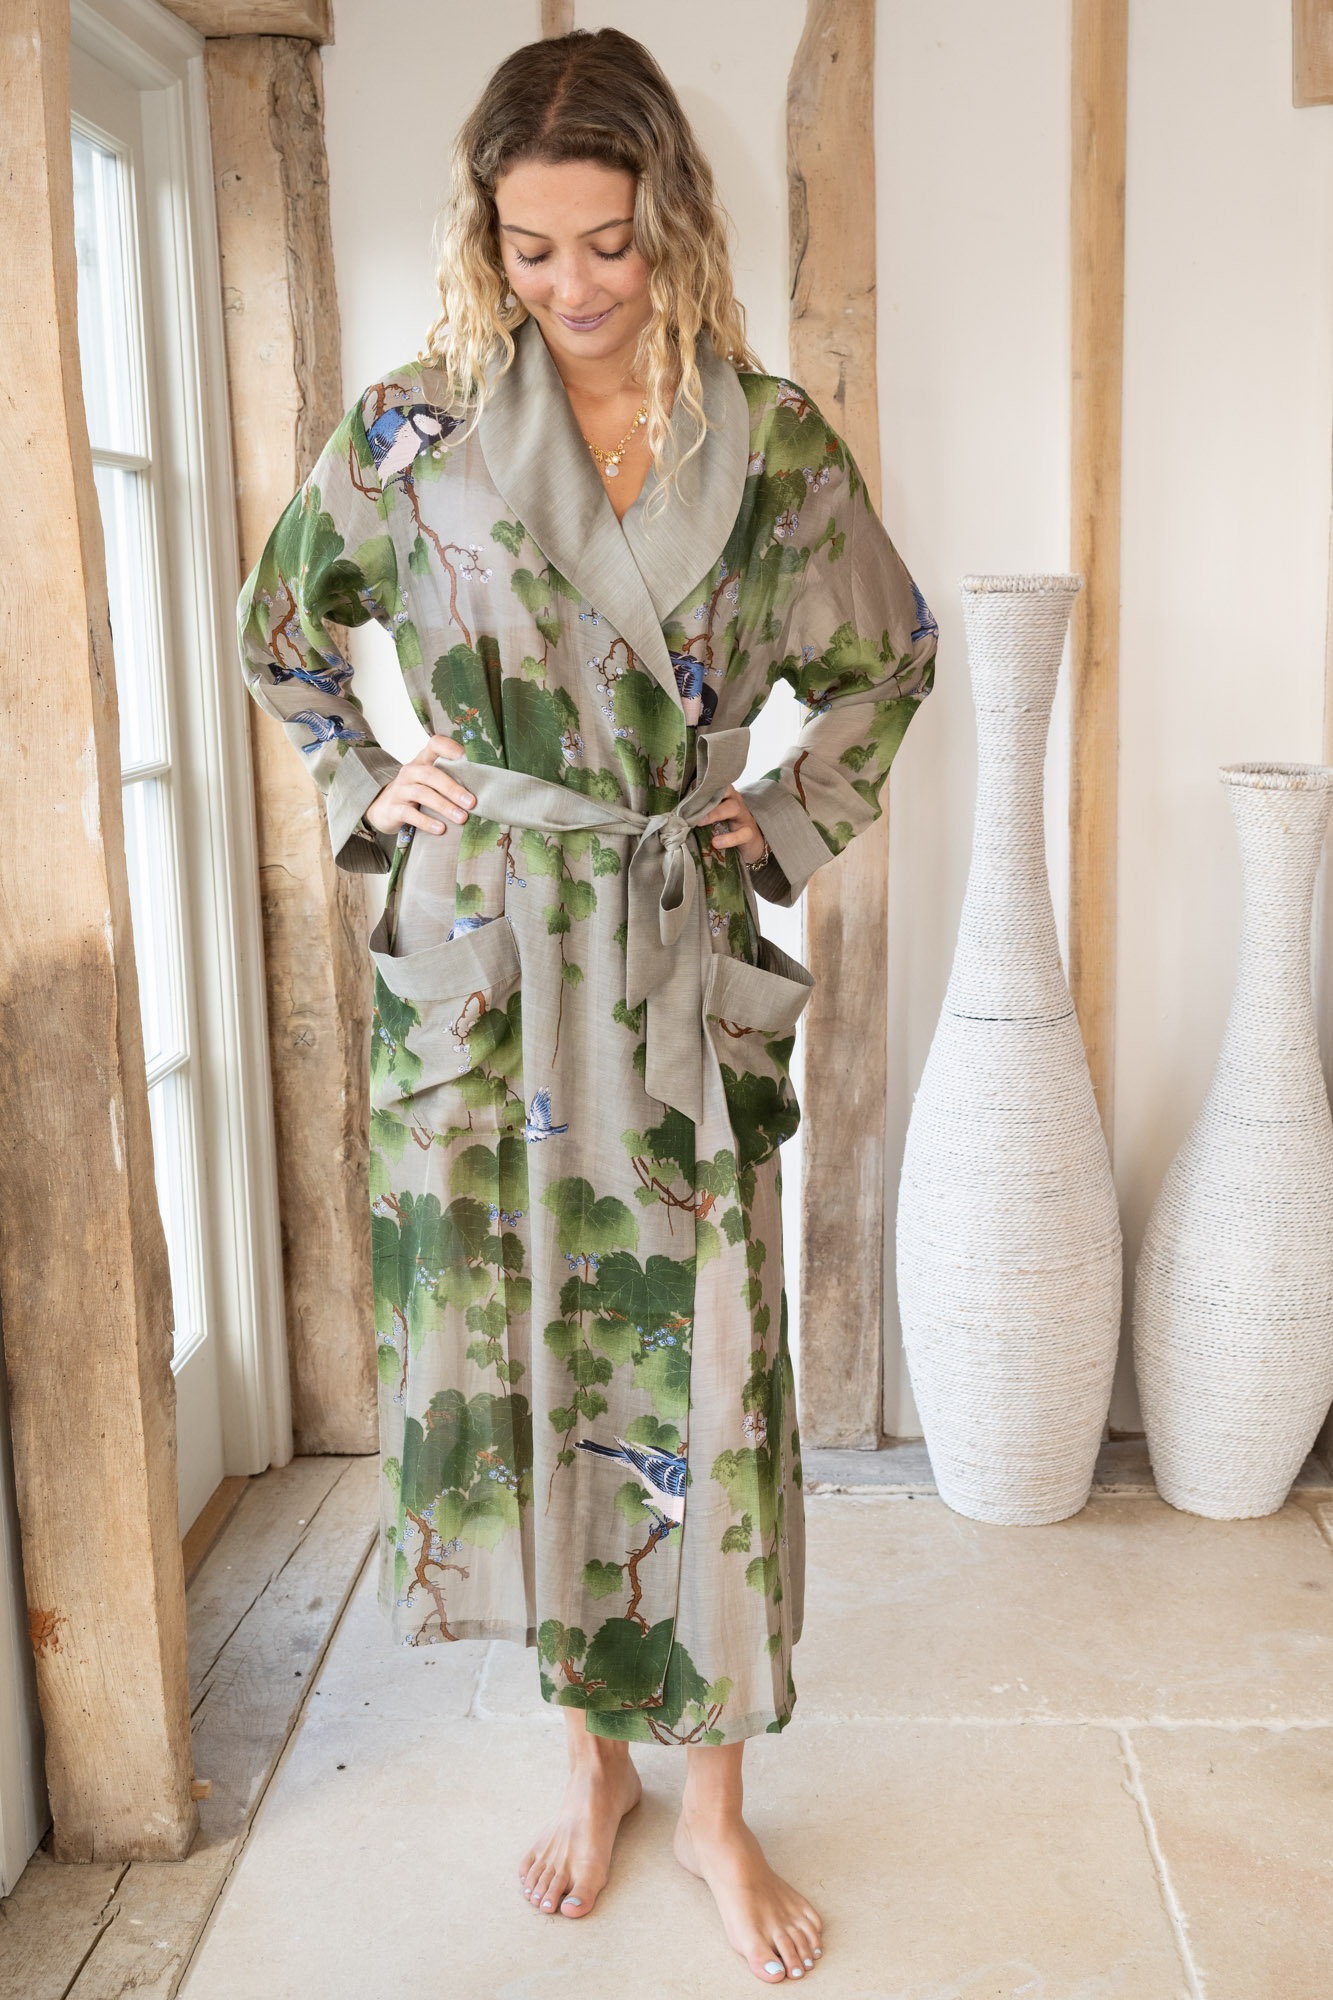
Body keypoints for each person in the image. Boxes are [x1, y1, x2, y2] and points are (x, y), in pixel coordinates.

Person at [236, 26, 936, 1985]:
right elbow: (284, 634)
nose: (568, 283)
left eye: (607, 243)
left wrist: (774, 815)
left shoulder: (768, 441)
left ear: (672, 222)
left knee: (700, 1371)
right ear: (485, 236)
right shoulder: (413, 429)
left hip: (664, 946)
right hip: (481, 966)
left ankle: (713, 1803)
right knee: (537, 1358)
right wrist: (367, 775)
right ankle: (589, 1766)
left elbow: (885, 661)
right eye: (527, 247)